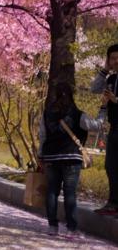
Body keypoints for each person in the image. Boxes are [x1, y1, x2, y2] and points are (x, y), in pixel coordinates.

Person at [39, 82, 106, 237]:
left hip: (52, 157)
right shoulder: (78, 114)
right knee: (70, 193)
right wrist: (103, 109)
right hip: (71, 158)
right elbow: (96, 125)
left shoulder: (47, 114)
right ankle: (71, 229)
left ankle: (52, 227)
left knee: (52, 192)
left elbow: (42, 136)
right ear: (71, 96)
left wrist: (40, 155)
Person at [90, 43, 118, 215]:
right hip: (114, 127)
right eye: (112, 58)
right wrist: (104, 70)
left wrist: (116, 100)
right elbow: (94, 89)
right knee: (111, 166)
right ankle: (113, 203)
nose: (116, 61)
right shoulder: (111, 79)